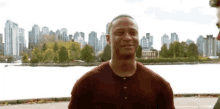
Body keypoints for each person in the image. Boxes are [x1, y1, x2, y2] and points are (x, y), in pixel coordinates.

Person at [68, 14, 175, 109]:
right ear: (108, 39)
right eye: (120, 33)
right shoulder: (85, 85)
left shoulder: (160, 87)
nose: (128, 37)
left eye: (133, 33)